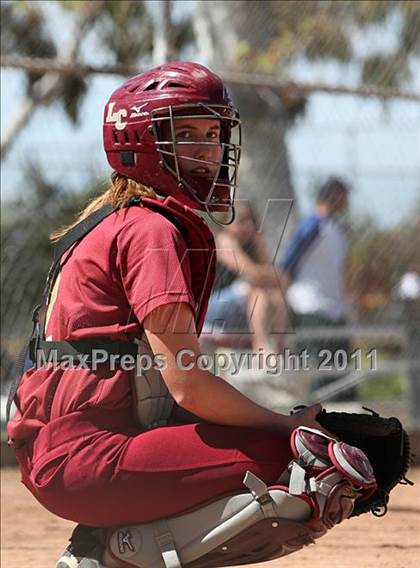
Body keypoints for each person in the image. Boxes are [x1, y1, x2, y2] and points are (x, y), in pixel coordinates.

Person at [7, 62, 330, 568]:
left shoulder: (134, 219)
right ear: (139, 141)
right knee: (313, 466)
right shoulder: (150, 231)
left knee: (301, 452)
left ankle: (108, 544)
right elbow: (188, 386)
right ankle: (114, 554)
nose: (207, 151)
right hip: (85, 455)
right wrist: (285, 426)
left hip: (83, 448)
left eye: (212, 134)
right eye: (186, 135)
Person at [279, 177, 352, 399]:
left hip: (334, 310)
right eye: (344, 196)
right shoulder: (312, 225)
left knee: (341, 374)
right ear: (335, 195)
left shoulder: (335, 228)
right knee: (317, 374)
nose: (347, 202)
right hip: (311, 308)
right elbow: (286, 265)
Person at [203, 201, 288, 352]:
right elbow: (254, 274)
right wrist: (276, 276)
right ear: (227, 222)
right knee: (257, 292)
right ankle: (261, 348)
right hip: (210, 310)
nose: (247, 226)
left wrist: (259, 243)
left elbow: (276, 280)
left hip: (237, 307)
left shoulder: (252, 244)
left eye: (251, 221)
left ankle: (281, 349)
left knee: (276, 296)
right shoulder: (224, 240)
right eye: (242, 220)